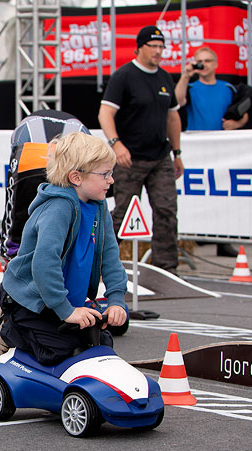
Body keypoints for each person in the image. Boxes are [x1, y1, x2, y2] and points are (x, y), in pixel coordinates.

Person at [0, 132, 128, 365]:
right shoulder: (58, 208)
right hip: (29, 300)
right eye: (105, 174)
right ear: (76, 177)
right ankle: (9, 332)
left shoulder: (99, 207)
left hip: (61, 298)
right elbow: (44, 263)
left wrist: (116, 299)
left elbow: (110, 255)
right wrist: (66, 311)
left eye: (111, 173)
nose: (111, 180)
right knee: (62, 351)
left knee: (100, 343)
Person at [0, 110, 90, 357]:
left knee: (27, 226)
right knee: (66, 224)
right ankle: (14, 310)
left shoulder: (32, 133)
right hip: (35, 153)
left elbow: (13, 209)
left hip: (33, 154)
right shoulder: (76, 139)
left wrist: (10, 252)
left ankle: (16, 301)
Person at [98, 25, 184, 275]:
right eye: (153, 46)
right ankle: (100, 266)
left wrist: (177, 153)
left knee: (167, 210)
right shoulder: (124, 76)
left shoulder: (165, 77)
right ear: (139, 48)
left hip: (160, 156)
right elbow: (105, 113)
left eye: (161, 47)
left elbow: (173, 118)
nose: (158, 51)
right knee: (122, 213)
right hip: (129, 158)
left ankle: (166, 268)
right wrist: (116, 144)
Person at [174, 46, 247, 258]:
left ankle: (223, 240)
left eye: (207, 61)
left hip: (223, 148)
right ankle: (197, 234)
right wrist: (185, 76)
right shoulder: (191, 87)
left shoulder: (228, 89)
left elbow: (244, 114)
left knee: (225, 192)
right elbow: (178, 102)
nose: (203, 65)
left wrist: (236, 123)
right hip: (197, 149)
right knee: (197, 190)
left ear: (215, 64)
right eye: (200, 61)